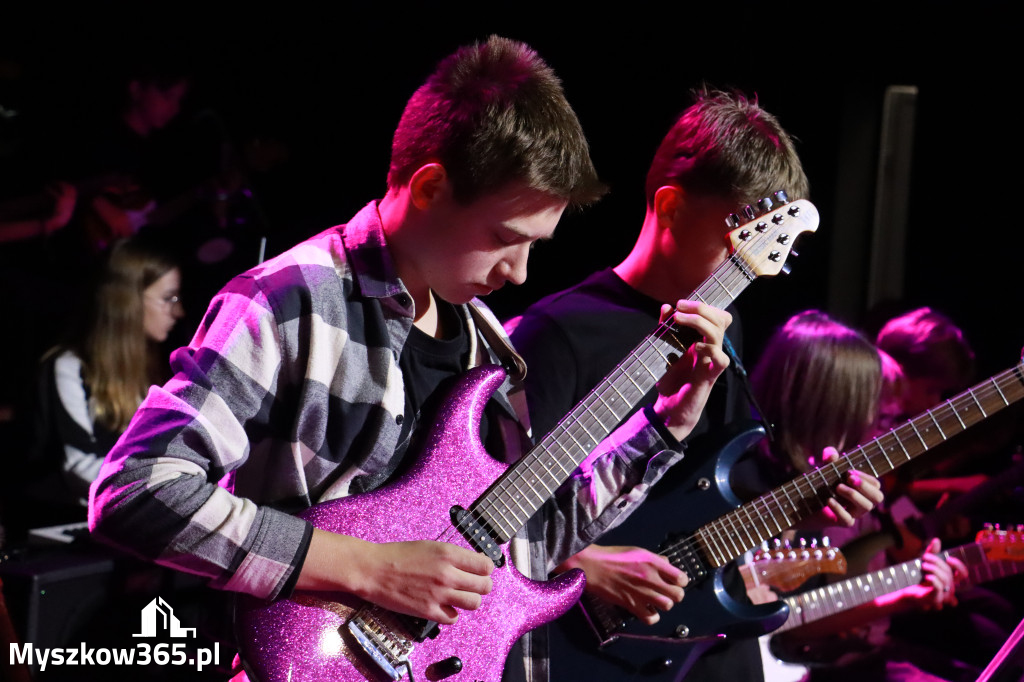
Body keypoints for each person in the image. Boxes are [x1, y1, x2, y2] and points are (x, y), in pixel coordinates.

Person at [89, 37, 732, 681]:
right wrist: (370, 569)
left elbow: (524, 553)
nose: (518, 272)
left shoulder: (490, 347)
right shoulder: (290, 300)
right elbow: (135, 490)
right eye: (505, 239)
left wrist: (669, 422)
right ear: (429, 187)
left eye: (535, 246)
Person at [509, 92, 883, 681]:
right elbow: (490, 509)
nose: (750, 266)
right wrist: (584, 563)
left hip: (701, 642)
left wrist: (807, 499)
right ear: (672, 206)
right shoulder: (558, 333)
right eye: (739, 240)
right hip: (582, 648)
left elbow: (708, 490)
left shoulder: (723, 333)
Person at [749, 311, 973, 682]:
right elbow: (789, 623)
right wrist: (904, 594)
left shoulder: (832, 485)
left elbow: (789, 609)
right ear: (829, 408)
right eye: (878, 418)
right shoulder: (750, 481)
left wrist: (914, 578)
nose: (880, 432)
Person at [29, 237, 184, 512]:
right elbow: (79, 466)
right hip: (79, 518)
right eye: (167, 298)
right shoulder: (69, 367)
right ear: (127, 301)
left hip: (138, 509)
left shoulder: (162, 364)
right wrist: (161, 490)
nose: (178, 311)